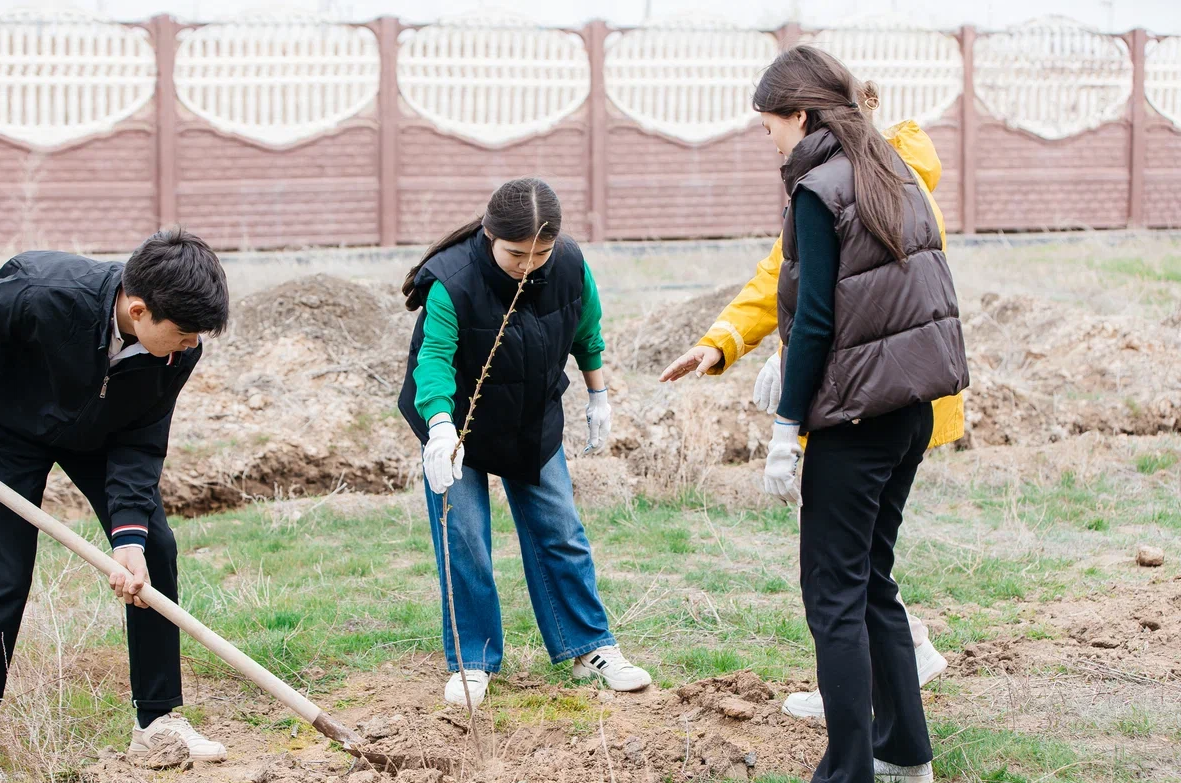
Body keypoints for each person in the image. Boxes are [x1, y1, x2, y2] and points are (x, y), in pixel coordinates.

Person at [659, 90, 957, 724]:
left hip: (866, 400)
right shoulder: (862, 178)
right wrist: (725, 344)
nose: (770, 140)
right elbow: (787, 277)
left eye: (771, 125)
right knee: (864, 568)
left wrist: (794, 357)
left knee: (842, 577)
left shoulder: (867, 185)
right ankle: (896, 728)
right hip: (889, 397)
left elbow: (875, 296)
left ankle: (855, 713)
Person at [0, 228, 232, 783]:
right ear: (138, 310)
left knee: (153, 547)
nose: (186, 347)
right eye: (179, 334)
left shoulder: (178, 348)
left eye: (193, 337)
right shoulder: (44, 294)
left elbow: (142, 439)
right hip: (8, 429)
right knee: (4, 578)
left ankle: (157, 723)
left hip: (99, 435)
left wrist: (127, 537)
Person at [752, 46, 970, 783]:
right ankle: (904, 748)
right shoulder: (887, 164)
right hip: (911, 407)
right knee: (872, 578)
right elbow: (888, 297)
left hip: (855, 417)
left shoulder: (817, 185)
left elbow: (816, 317)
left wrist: (787, 424)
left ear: (801, 117)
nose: (770, 142)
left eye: (771, 126)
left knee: (833, 592)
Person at [397, 177, 652, 710]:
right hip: (457, 425)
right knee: (464, 539)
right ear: (490, 235)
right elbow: (434, 360)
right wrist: (440, 428)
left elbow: (588, 331)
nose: (528, 265)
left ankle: (590, 646)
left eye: (541, 253)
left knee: (561, 529)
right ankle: (474, 659)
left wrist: (598, 395)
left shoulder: (569, 265)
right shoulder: (452, 280)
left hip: (531, 417)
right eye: (516, 254)